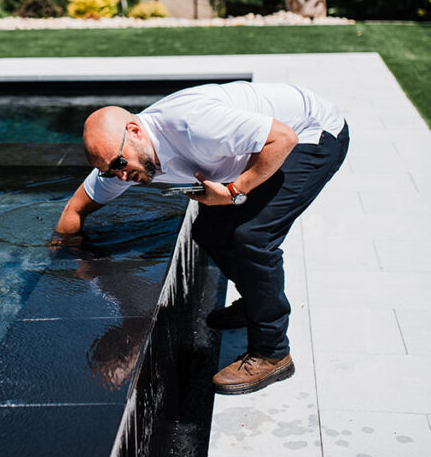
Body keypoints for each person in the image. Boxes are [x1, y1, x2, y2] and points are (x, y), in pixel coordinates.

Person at [55, 81, 349, 395]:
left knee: (252, 236)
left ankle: (272, 352)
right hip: (268, 146)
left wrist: (234, 193)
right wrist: (64, 258)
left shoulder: (192, 124)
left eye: (119, 165)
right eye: (110, 172)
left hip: (313, 134)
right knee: (208, 230)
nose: (121, 177)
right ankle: (256, 303)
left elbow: (283, 138)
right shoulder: (124, 158)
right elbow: (75, 209)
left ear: (134, 129)